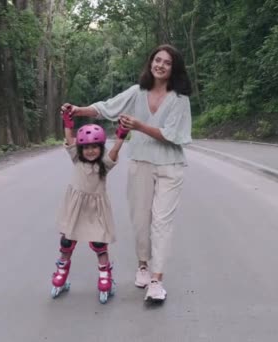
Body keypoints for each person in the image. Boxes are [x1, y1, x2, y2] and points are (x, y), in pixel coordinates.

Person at [61, 44, 192, 303]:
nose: (161, 65)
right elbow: (106, 108)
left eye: (167, 62)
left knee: (161, 223)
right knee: (140, 220)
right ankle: (143, 266)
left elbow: (173, 136)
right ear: (150, 63)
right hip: (140, 162)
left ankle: (156, 280)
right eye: (157, 60)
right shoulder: (137, 92)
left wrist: (139, 126)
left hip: (170, 167)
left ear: (173, 68)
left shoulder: (180, 99)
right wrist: (78, 110)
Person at [50, 109, 130, 304]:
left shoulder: (104, 164)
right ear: (80, 149)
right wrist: (68, 120)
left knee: (100, 246)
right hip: (75, 210)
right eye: (86, 147)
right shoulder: (76, 160)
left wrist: (121, 133)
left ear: (100, 148)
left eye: (95, 147)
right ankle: (60, 275)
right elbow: (69, 138)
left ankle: (104, 280)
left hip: (95, 213)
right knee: (67, 243)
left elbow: (115, 151)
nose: (90, 150)